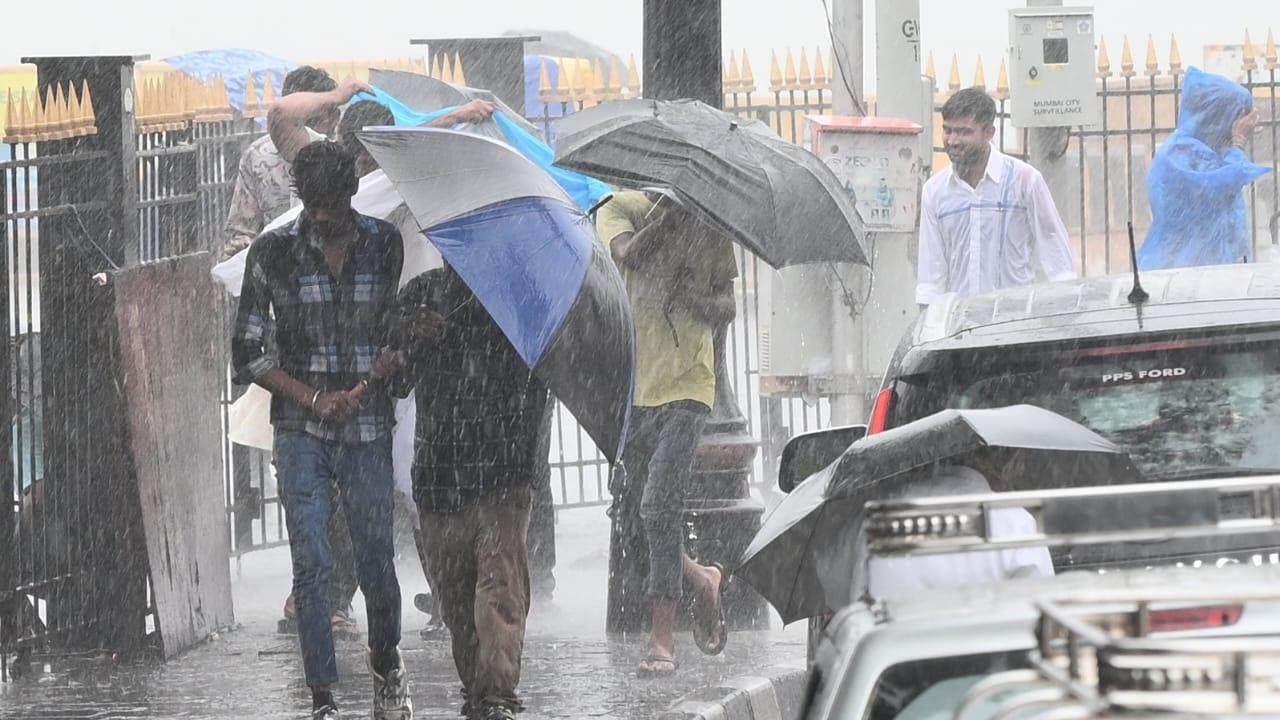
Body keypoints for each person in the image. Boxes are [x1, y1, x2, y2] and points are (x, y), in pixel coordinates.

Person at [231, 141, 411, 720]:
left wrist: (394, 358)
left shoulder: (385, 245)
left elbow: (391, 330)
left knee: (376, 554)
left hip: (366, 427)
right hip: (299, 431)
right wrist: (311, 397)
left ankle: (386, 664)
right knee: (311, 562)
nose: (324, 217)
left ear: (351, 195)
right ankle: (323, 695)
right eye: (314, 204)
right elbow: (249, 353)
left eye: (332, 203)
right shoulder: (272, 252)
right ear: (302, 200)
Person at [387, 264, 554, 720]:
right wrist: (411, 335)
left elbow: (543, 378)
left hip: (502, 474)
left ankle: (499, 694)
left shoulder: (522, 295)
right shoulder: (421, 295)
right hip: (441, 476)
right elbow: (395, 380)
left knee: (499, 591)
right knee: (457, 599)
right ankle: (478, 691)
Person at [596, 190, 733, 677]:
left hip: (690, 385)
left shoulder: (710, 225)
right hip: (637, 387)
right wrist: (670, 220)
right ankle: (701, 577)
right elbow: (628, 253)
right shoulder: (619, 208)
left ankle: (662, 638)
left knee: (660, 505)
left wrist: (693, 299)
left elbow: (727, 304)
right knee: (638, 516)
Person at [916, 87, 1078, 308]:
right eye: (947, 130)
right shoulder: (935, 192)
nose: (952, 140)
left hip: (1015, 323)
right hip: (962, 329)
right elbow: (931, 276)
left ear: (989, 133)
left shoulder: (1024, 180)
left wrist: (1065, 313)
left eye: (964, 132)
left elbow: (1056, 255)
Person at [1138, 67, 1272, 270]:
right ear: (1218, 117)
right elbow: (1220, 186)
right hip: (1180, 272)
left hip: (1213, 274)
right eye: (1235, 118)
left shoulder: (1208, 153)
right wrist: (1237, 142)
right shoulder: (1179, 152)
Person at [866, 462, 1054, 600]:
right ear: (1001, 469)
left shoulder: (881, 511)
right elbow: (1042, 604)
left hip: (897, 649)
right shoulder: (1014, 520)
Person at [223, 65, 339, 261]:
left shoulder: (342, 157)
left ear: (333, 117)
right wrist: (244, 246)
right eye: (296, 122)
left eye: (312, 121)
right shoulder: (258, 157)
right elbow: (241, 229)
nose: (302, 133)